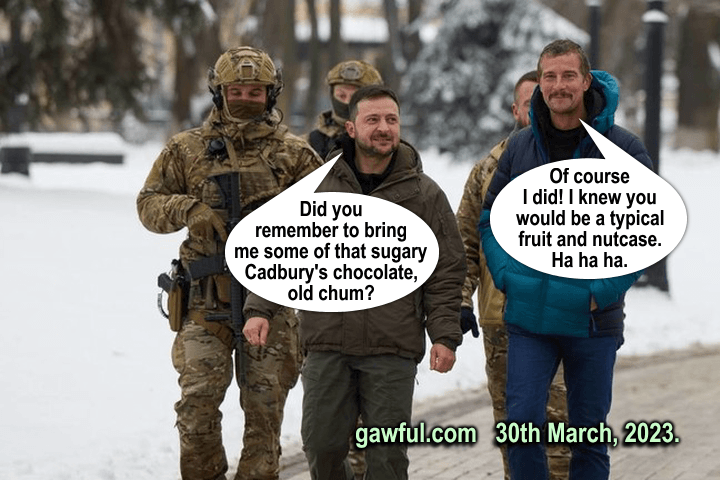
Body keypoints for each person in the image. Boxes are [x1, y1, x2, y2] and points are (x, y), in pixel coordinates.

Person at [242, 85, 466, 480]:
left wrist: (444, 336)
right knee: (321, 446)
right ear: (351, 128)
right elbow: (283, 250)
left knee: (386, 459)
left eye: (391, 119)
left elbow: (446, 270)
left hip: (392, 347)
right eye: (373, 119)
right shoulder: (317, 187)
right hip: (327, 342)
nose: (384, 128)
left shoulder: (425, 195)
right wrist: (259, 309)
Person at [137, 46, 323, 480]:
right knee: (196, 405)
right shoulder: (186, 148)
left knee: (265, 413)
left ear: (271, 95)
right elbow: (148, 204)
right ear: (218, 92)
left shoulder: (295, 154)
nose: (244, 99)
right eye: (235, 90)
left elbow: (326, 223)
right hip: (204, 302)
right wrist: (188, 209)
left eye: (255, 92)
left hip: (272, 301)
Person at [479, 39, 653, 480]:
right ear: (540, 83)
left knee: (588, 435)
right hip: (529, 317)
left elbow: (646, 231)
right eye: (550, 76)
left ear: (586, 81)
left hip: (593, 319)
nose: (559, 85)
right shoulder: (519, 148)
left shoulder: (624, 148)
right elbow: (490, 219)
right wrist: (506, 277)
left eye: (568, 76)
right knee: (520, 427)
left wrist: (599, 292)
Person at [456, 70, 571, 480]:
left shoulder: (581, 163)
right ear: (515, 110)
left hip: (565, 318)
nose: (539, 109)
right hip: (502, 320)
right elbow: (465, 241)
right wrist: (460, 301)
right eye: (529, 103)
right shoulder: (488, 169)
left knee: (561, 432)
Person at [306, 60, 383, 160]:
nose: (347, 102)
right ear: (332, 95)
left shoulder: (386, 142)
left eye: (355, 96)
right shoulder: (307, 145)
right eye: (341, 96)